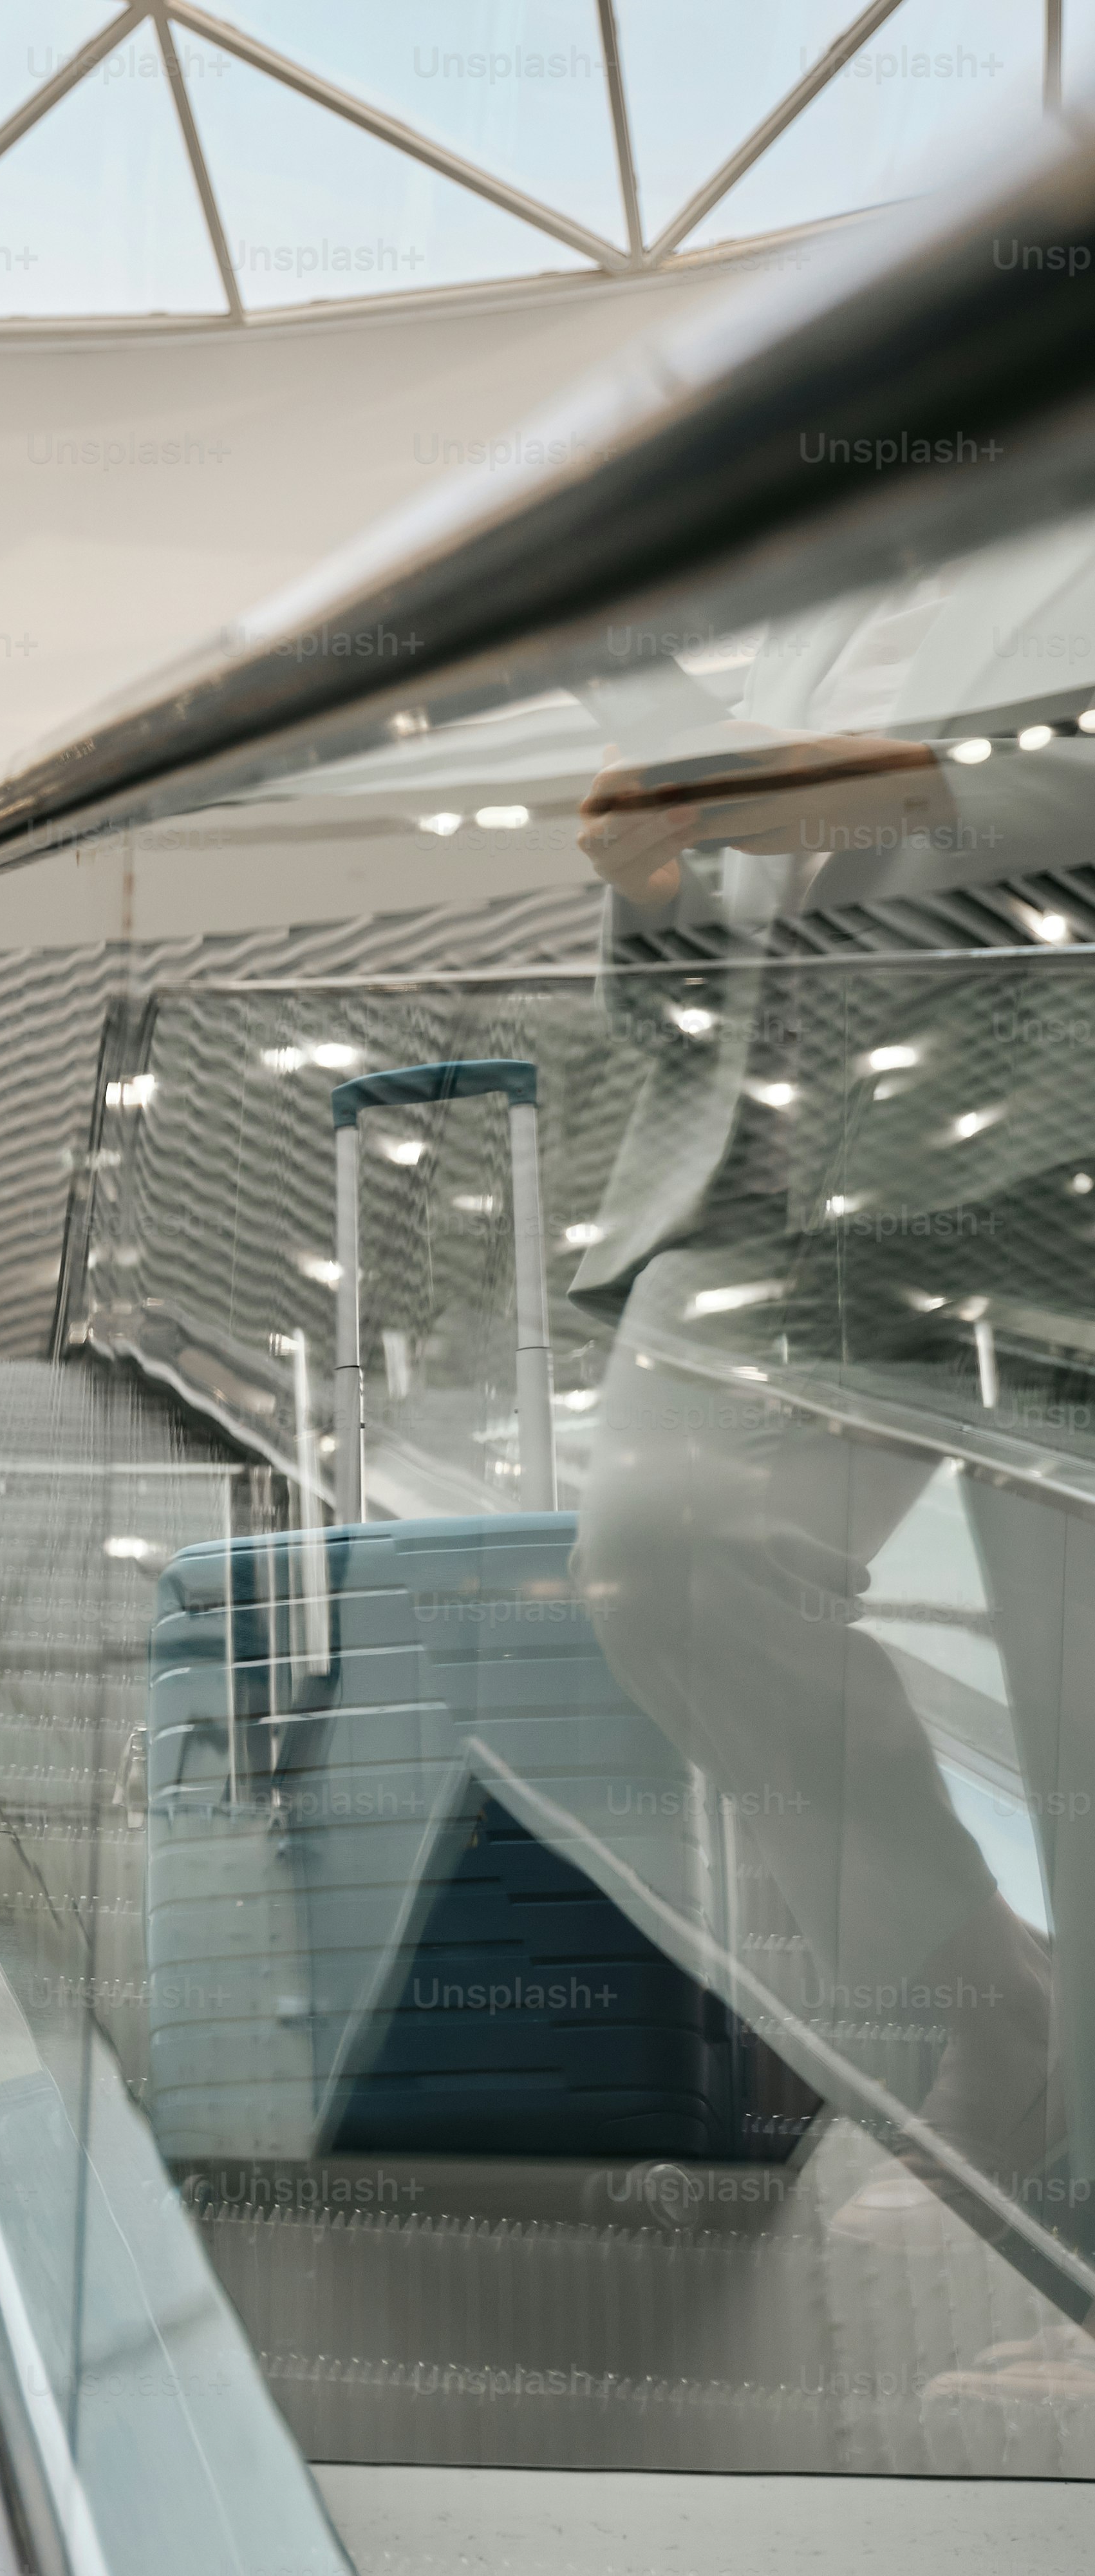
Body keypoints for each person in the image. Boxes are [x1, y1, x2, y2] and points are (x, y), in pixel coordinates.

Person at [567, 526, 1095, 2277]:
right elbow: (727, 884)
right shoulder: (815, 602)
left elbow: (979, 790)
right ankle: (987, 1995)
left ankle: (1074, 2188)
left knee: (1081, 1690)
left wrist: (881, 791)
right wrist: (650, 876)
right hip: (785, 1178)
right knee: (661, 1550)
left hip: (1054, 1150)